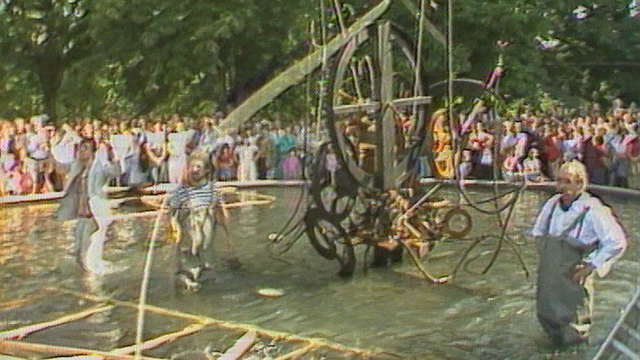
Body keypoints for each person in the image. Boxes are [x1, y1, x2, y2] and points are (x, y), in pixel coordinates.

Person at [532, 160, 627, 346]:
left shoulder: (593, 209)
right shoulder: (552, 204)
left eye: (567, 181)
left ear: (579, 183)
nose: (562, 186)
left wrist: (591, 265)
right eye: (559, 181)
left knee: (574, 331)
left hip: (573, 281)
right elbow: (537, 233)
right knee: (548, 321)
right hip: (549, 283)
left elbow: (617, 242)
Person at [168, 151, 238, 291]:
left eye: (198, 167)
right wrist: (173, 231)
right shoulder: (182, 191)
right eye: (191, 167)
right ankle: (186, 278)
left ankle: (204, 274)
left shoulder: (213, 190)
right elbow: (171, 214)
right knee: (189, 256)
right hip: (189, 233)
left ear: (206, 170)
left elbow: (221, 213)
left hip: (206, 230)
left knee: (206, 253)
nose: (194, 170)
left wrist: (228, 237)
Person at [56, 138, 122, 274]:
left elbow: (116, 172)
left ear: (92, 152)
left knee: (92, 248)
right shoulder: (76, 166)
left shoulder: (100, 166)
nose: (81, 151)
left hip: (96, 210)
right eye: (80, 148)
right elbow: (60, 168)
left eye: (85, 148)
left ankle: (94, 278)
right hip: (81, 212)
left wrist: (112, 155)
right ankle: (84, 275)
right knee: (79, 248)